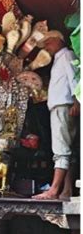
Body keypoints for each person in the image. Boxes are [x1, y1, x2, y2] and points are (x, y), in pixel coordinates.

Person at [33, 31, 79, 200]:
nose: (46, 47)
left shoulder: (66, 55)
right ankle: (66, 190)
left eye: (48, 42)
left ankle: (53, 189)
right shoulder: (59, 58)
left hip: (63, 106)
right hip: (60, 106)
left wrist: (77, 100)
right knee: (68, 150)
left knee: (61, 149)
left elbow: (75, 78)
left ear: (58, 40)